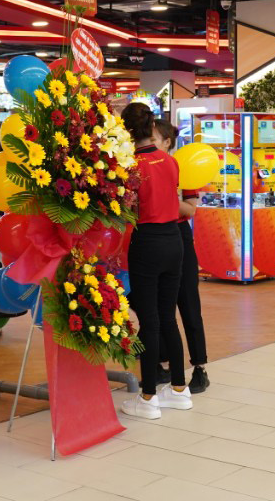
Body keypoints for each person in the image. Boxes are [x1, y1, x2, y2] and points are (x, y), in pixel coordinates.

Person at [119, 103, 191, 420]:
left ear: (126, 131)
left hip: (146, 242)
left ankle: (148, 396)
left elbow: (128, 208)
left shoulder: (130, 166)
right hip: (174, 241)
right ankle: (179, 389)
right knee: (167, 317)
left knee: (148, 321)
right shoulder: (170, 161)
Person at [152, 120, 210, 394]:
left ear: (167, 142)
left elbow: (191, 209)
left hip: (179, 236)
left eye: (153, 138)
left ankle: (200, 367)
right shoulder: (143, 167)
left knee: (188, 303)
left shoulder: (182, 168)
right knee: (158, 305)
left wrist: (163, 197)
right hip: (154, 236)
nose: (148, 143)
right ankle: (161, 363)